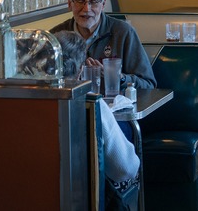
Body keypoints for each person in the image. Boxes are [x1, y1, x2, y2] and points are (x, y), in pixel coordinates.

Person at [55, 30, 140, 194]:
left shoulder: (26, 100)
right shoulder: (93, 103)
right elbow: (126, 169)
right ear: (81, 70)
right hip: (82, 193)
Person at [50, 0, 156, 89]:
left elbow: (148, 84)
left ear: (103, 4)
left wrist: (116, 76)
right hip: (70, 100)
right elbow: (42, 83)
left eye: (94, 2)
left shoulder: (123, 33)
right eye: (80, 1)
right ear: (70, 3)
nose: (87, 9)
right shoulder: (54, 38)